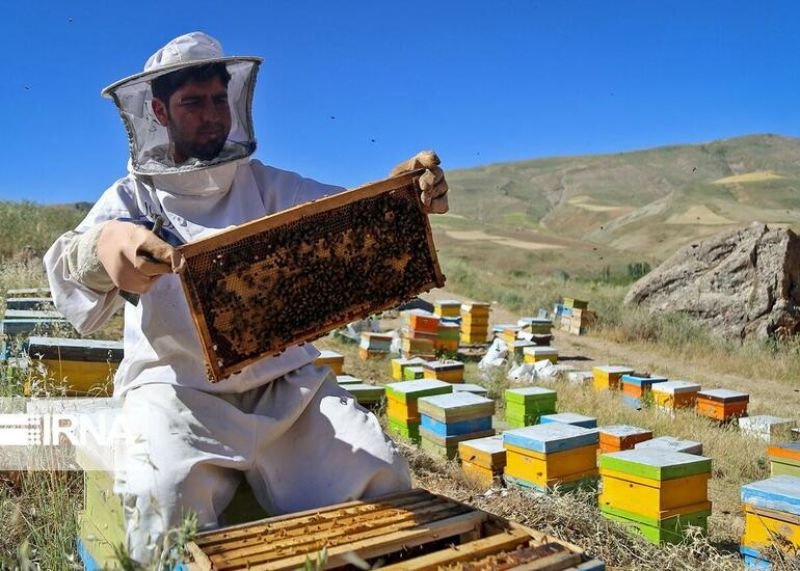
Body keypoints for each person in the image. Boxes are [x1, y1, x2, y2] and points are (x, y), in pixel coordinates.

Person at [44, 31, 448, 565]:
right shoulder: (129, 196)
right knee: (161, 495)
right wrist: (102, 247)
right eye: (193, 103)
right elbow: (67, 264)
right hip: (178, 393)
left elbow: (347, 217)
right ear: (160, 112)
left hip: (288, 389)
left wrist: (400, 196)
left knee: (380, 470)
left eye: (218, 100)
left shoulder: (271, 187)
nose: (212, 115)